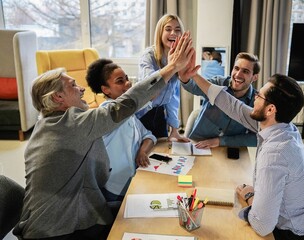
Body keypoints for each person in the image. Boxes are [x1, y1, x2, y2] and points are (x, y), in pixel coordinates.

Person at [13, 32, 194, 240]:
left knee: (142, 210)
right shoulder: (72, 123)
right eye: (73, 85)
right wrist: (170, 68)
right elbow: (124, 105)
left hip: (64, 215)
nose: (81, 89)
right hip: (58, 230)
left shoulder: (46, 124)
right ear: (58, 97)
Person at [179, 54, 304, 239]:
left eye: (259, 95)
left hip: (298, 234)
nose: (254, 98)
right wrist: (194, 75)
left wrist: (250, 196)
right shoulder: (283, 127)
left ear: (270, 110)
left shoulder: (275, 154)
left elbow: (262, 225)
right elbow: (232, 105)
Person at [86, 58, 156, 213]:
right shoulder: (107, 113)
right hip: (114, 187)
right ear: (106, 90)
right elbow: (143, 96)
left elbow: (149, 136)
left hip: (133, 182)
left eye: (126, 79)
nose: (127, 84)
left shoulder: (129, 115)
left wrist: (142, 151)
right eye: (120, 81)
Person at [180, 52, 259, 148]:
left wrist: (220, 141)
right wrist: (185, 79)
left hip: (227, 148)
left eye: (245, 71)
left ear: (254, 77)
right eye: (236, 68)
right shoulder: (218, 82)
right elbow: (194, 87)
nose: (238, 75)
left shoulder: (257, 102)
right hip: (199, 143)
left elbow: (256, 138)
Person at [136, 14, 189, 142]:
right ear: (160, 32)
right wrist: (172, 67)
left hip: (160, 114)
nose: (173, 33)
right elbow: (150, 88)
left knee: (161, 153)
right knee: (141, 155)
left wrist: (174, 130)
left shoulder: (178, 60)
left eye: (177, 30)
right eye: (168, 29)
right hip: (141, 114)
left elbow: (172, 97)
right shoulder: (148, 56)